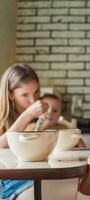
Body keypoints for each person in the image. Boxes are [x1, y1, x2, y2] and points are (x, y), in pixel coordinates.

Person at [0, 63, 48, 200]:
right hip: (8, 183)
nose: (32, 100)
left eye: (36, 92)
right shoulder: (2, 115)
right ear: (10, 94)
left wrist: (41, 125)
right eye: (24, 95)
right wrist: (27, 115)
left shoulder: (34, 117)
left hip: (32, 176)